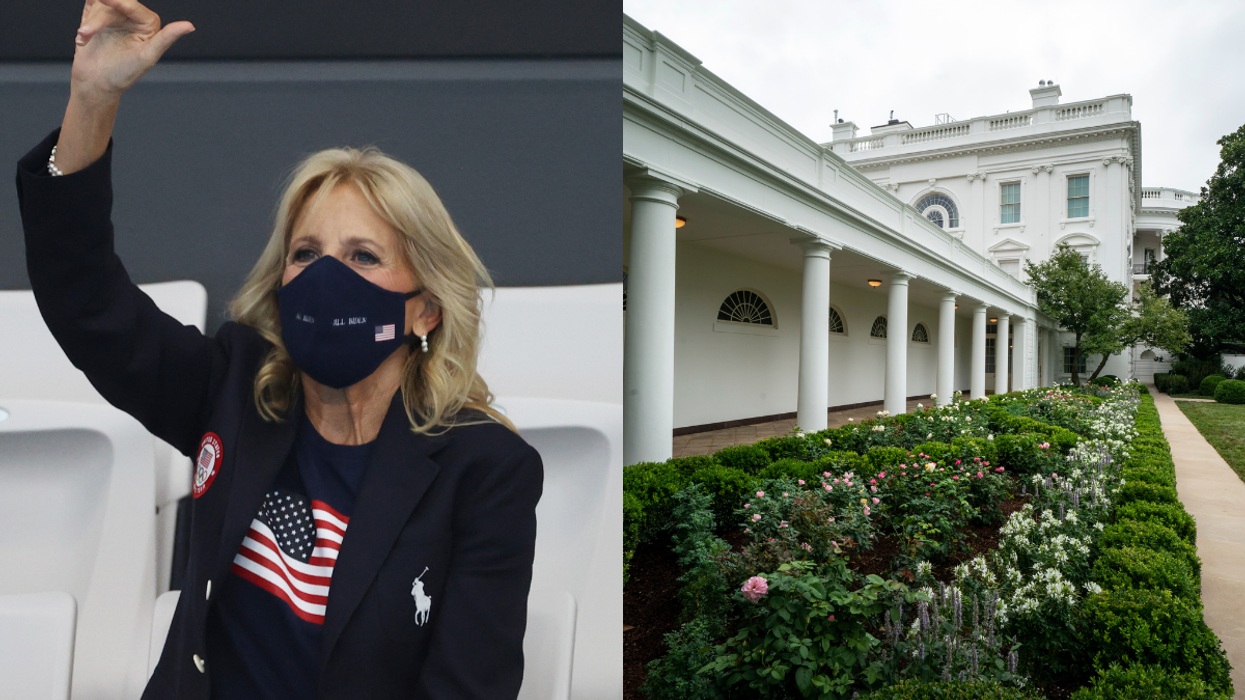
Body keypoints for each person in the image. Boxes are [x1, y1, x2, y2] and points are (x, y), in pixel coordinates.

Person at [15, 1, 543, 698]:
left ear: (425, 307)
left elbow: (467, 686)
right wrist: (92, 99)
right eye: (306, 253)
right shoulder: (232, 389)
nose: (326, 278)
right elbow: (86, 303)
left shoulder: (486, 471)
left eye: (361, 256)